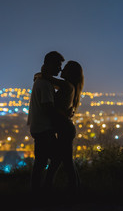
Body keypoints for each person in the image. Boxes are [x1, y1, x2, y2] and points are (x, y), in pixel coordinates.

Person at [42, 61, 84, 194]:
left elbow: (46, 77)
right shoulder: (71, 87)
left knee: (59, 162)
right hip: (66, 128)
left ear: (70, 72)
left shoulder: (66, 85)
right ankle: (75, 190)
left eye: (65, 69)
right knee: (66, 162)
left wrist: (38, 75)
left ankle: (48, 189)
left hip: (65, 129)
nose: (61, 71)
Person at [27, 51, 65, 193]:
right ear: (50, 64)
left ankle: (38, 190)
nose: (59, 69)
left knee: (41, 161)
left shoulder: (42, 81)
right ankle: (44, 189)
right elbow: (48, 107)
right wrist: (63, 117)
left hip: (39, 128)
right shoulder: (44, 84)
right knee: (54, 158)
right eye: (58, 65)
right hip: (44, 129)